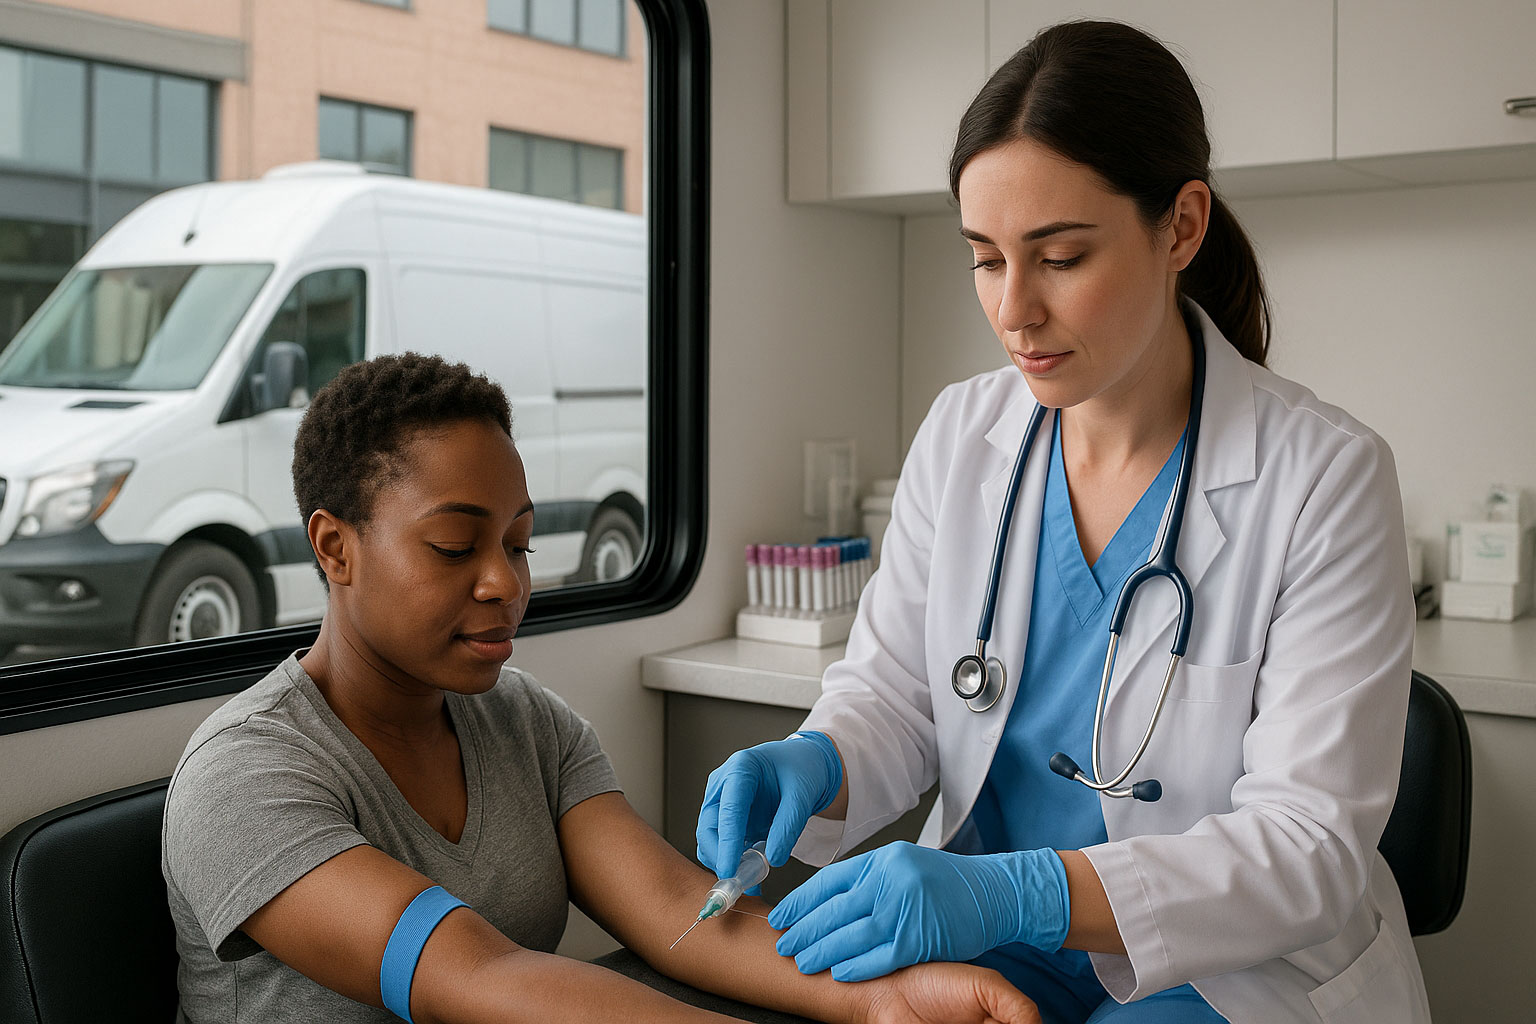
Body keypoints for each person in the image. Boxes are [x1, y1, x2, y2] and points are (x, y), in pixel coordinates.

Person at [695, 20, 1430, 1024]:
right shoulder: (963, 434)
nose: (1014, 311)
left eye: (1061, 257)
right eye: (985, 260)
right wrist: (820, 761)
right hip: (1000, 939)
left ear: (1181, 227)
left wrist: (1027, 890)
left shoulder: (1325, 476)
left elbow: (1307, 847)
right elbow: (898, 698)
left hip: (1224, 964)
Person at [160, 353, 1041, 1024]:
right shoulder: (243, 778)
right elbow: (478, 975)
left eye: (519, 544)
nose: (505, 582)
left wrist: (881, 999)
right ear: (334, 548)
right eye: (455, 547)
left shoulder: (526, 724)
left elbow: (676, 911)